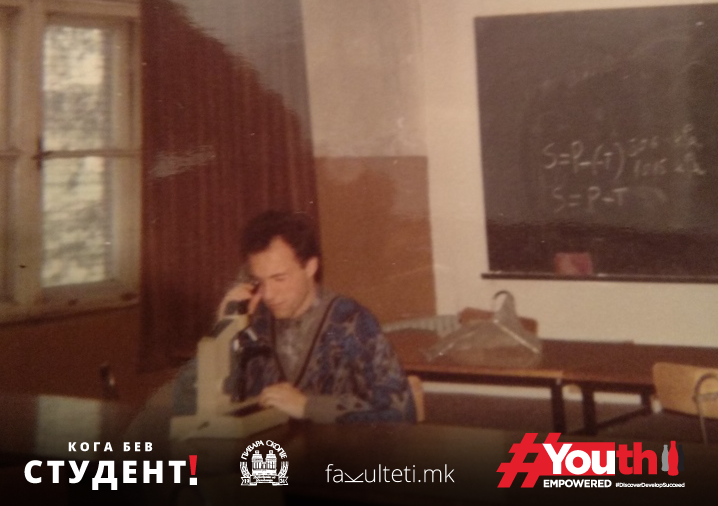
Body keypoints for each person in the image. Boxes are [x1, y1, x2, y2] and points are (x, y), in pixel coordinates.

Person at [175, 210, 416, 423]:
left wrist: (307, 406)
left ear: (310, 267)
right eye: (260, 281)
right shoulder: (254, 323)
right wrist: (223, 329)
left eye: (279, 279)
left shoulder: (352, 322)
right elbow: (185, 402)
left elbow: (401, 411)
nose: (268, 294)